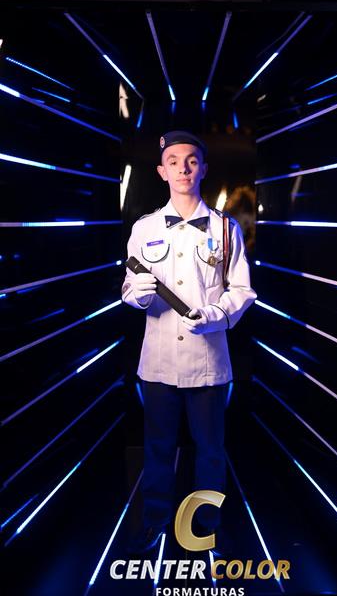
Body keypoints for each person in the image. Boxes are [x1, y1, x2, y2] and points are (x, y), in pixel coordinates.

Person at [122, 130, 256, 554]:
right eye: (174, 161)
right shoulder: (144, 228)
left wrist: (216, 315)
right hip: (158, 362)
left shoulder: (226, 228)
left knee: (210, 451)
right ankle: (155, 520)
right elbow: (128, 289)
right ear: (162, 171)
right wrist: (140, 293)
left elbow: (242, 290)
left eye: (192, 160)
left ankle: (206, 526)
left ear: (203, 169)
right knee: (158, 448)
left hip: (209, 361)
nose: (183, 167)